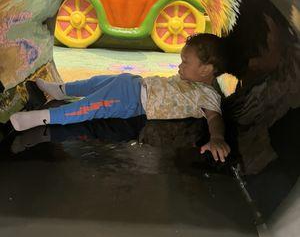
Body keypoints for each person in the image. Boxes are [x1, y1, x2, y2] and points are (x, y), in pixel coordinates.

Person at [10, 33, 230, 162]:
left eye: (185, 62)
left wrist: (217, 138)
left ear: (206, 70)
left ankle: (41, 117)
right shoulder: (192, 80)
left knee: (87, 108)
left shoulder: (207, 95)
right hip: (134, 82)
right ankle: (61, 89)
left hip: (132, 101)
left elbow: (214, 118)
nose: (180, 66)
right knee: (94, 82)